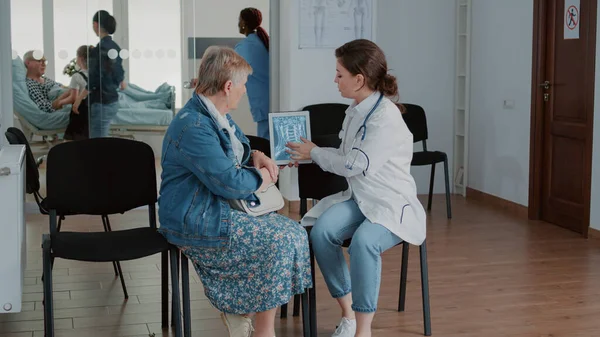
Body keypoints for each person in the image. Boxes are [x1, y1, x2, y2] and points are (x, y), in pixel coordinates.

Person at [158, 46, 312, 337]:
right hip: (196, 217)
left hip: (220, 208)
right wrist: (263, 177)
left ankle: (242, 312)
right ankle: (260, 329)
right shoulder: (193, 125)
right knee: (279, 241)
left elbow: (232, 156)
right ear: (228, 86)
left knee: (295, 234)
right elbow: (228, 181)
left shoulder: (217, 116)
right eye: (243, 85)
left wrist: (256, 154)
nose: (244, 92)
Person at [286, 39, 426, 337]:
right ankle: (348, 314)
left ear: (359, 79)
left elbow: (353, 165)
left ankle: (363, 329)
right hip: (361, 198)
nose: (334, 80)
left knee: (364, 242)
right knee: (322, 233)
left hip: (391, 204)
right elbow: (344, 155)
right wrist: (310, 152)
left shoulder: (385, 117)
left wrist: (314, 153)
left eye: (339, 74)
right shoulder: (356, 110)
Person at [87, 10, 125, 138]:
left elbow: (94, 79)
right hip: (113, 101)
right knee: (102, 141)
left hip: (101, 102)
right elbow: (120, 75)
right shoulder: (115, 47)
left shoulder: (98, 50)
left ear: (95, 25)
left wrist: (80, 97)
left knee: (97, 144)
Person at [235, 7, 270, 139]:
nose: (238, 24)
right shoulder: (265, 41)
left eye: (239, 20)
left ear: (244, 23)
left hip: (262, 103)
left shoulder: (245, 46)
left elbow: (227, 70)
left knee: (266, 143)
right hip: (273, 101)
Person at [64, 45, 92, 140]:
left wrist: (59, 103)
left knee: (71, 138)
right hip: (94, 109)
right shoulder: (97, 75)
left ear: (80, 58)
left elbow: (73, 98)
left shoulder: (76, 76)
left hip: (81, 111)